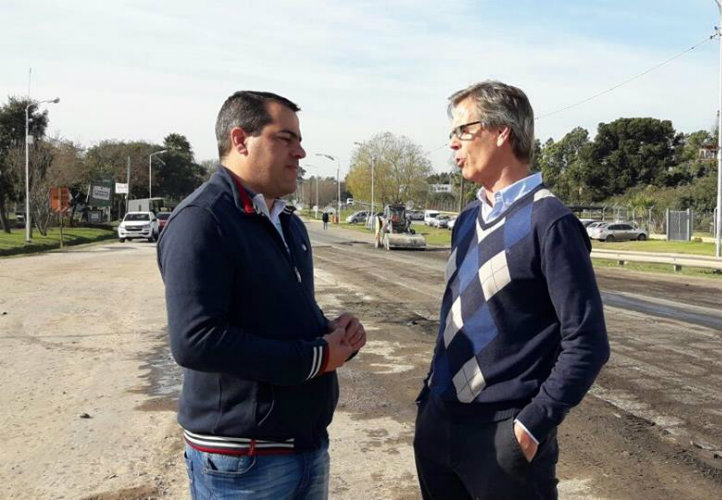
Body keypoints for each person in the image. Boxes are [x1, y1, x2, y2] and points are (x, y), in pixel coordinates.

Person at [157, 91, 366, 500]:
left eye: (299, 140)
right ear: (240, 140)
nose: (300, 152)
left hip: (304, 447)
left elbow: (278, 313)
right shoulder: (203, 221)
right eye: (285, 138)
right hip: (241, 462)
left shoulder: (287, 223)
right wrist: (317, 357)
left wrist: (332, 332)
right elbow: (195, 341)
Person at [413, 81, 610, 500]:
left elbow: (588, 342)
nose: (453, 144)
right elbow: (455, 315)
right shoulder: (466, 220)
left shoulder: (550, 221)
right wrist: (427, 404)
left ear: (502, 132)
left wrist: (532, 424)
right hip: (439, 425)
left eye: (463, 131)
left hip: (504, 437)